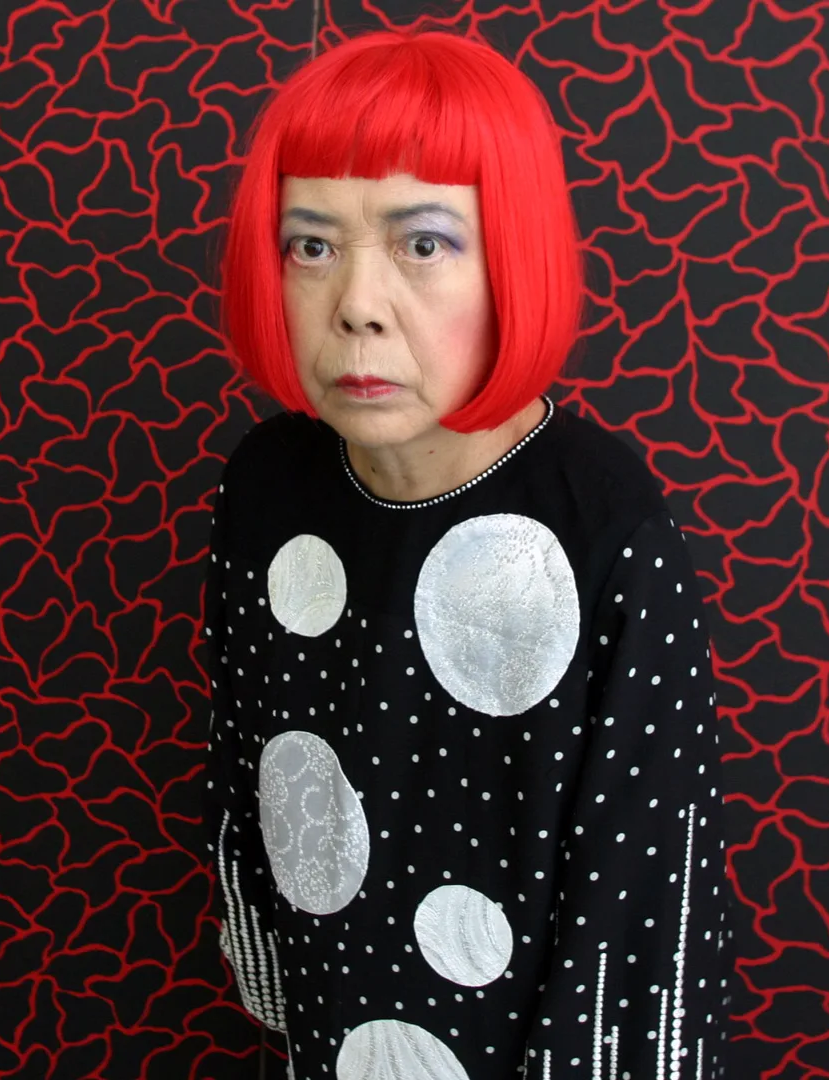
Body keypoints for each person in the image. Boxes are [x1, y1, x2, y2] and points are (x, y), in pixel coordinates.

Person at [204, 25, 731, 1080]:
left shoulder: (600, 526)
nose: (356, 303)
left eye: (424, 242)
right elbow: (245, 767)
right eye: (311, 245)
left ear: (513, 258)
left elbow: (640, 894)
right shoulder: (267, 488)